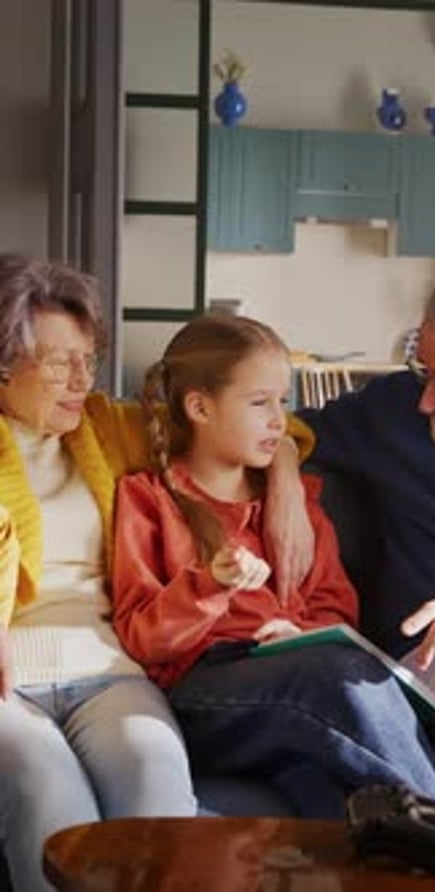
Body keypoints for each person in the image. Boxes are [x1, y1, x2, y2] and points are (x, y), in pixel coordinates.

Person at [112, 312, 435, 822]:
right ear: (200, 407)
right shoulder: (147, 499)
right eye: (260, 403)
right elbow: (141, 636)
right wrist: (210, 587)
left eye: (283, 400)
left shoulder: (297, 505)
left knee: (337, 791)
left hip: (291, 683)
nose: (280, 419)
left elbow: (332, 603)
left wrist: (298, 633)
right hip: (202, 691)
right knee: (333, 677)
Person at [0, 253, 197, 892]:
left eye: (88, 359)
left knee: (155, 769)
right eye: (60, 362)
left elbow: (243, 426)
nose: (82, 380)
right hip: (6, 685)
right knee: (50, 797)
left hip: (106, 669)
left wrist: (279, 473)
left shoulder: (108, 428)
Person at [283, 258, 435, 790]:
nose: (427, 401)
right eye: (423, 371)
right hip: (411, 699)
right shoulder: (391, 411)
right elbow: (274, 431)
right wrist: (285, 480)